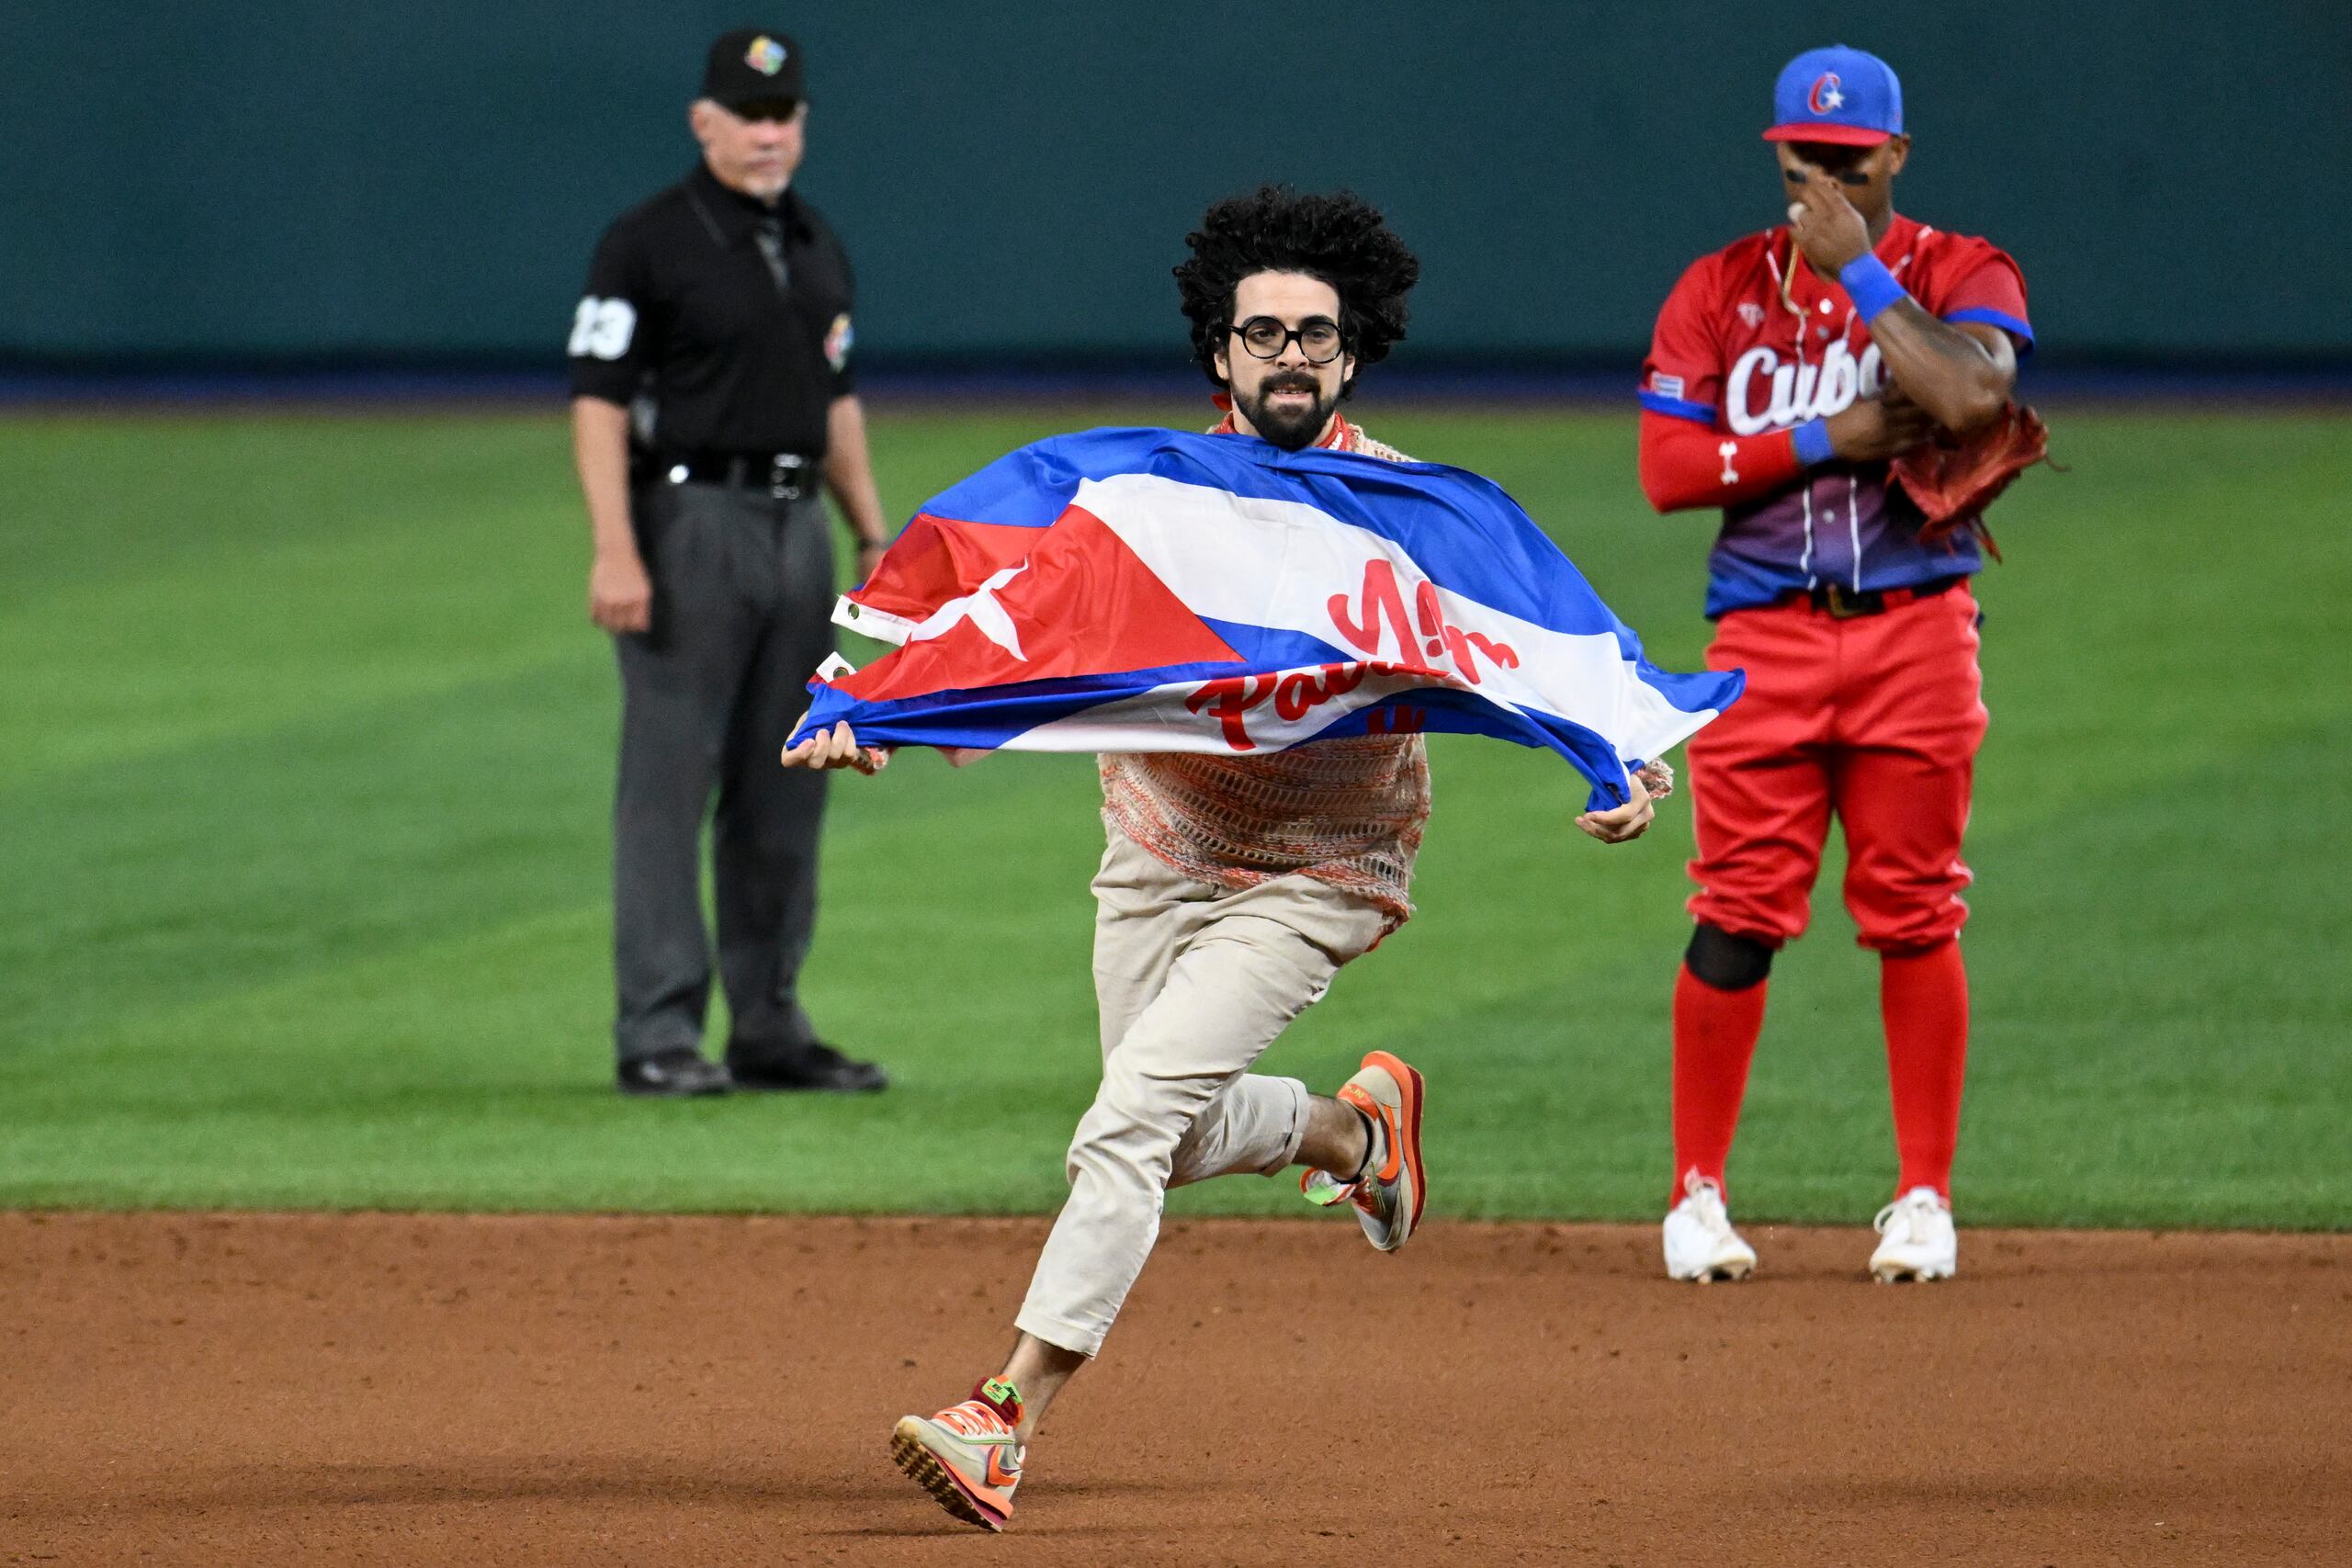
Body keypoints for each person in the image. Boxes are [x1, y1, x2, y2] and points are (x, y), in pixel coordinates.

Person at [787, 186, 1665, 1531]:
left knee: (1126, 1120)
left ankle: (1004, 1412)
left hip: (1324, 866)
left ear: (1352, 352)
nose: (1291, 355)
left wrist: (1625, 754)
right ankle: (1350, 1130)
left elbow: (1529, 638)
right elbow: (1016, 625)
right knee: (1176, 1127)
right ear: (1221, 352)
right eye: (1264, 333)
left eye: (1316, 333)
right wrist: (879, 715)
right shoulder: (1147, 500)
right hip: (1153, 847)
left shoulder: (1407, 514)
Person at [1635, 47, 2034, 1281]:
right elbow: (1667, 472)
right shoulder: (1716, 289)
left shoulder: (1956, 269)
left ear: (1894, 159)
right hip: (1762, 630)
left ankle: (1924, 1196)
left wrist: (1858, 269)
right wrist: (1831, 435)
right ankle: (1695, 1193)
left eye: (1847, 164)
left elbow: (1971, 397)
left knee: (1916, 910)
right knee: (1736, 912)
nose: (1818, 182)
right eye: (1800, 161)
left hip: (1918, 623)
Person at [567, 27, 889, 1098]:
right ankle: (658, 1032)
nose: (767, 131)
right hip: (689, 522)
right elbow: (599, 403)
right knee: (668, 786)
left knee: (785, 784)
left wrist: (873, 532)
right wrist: (616, 548)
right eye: (747, 113)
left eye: (783, 113)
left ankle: (768, 1027)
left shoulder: (815, 242)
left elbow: (834, 402)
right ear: (704, 120)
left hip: (800, 526)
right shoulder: (647, 242)